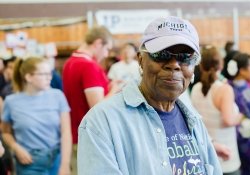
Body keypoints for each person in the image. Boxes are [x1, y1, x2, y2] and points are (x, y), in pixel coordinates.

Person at [78, 16, 222, 175]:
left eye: (184, 57)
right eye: (162, 54)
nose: (174, 65)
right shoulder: (102, 122)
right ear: (140, 60)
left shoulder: (193, 119)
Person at [62, 26, 120, 173]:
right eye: (107, 49)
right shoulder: (88, 66)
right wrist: (115, 89)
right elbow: (98, 107)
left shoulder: (70, 62)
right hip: (90, 136)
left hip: (76, 133)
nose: (106, 54)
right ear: (98, 43)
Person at [1, 57, 71, 175]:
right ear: (28, 77)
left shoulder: (58, 96)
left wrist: (65, 164)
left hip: (56, 158)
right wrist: (16, 148)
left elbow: (66, 132)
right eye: (44, 74)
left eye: (50, 73)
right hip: (29, 161)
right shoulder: (11, 101)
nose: (49, 77)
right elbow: (5, 132)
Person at [191, 45, 242, 175]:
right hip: (226, 157)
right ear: (221, 64)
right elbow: (229, 120)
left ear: (201, 66)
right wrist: (243, 115)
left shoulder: (196, 88)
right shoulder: (224, 90)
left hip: (207, 155)